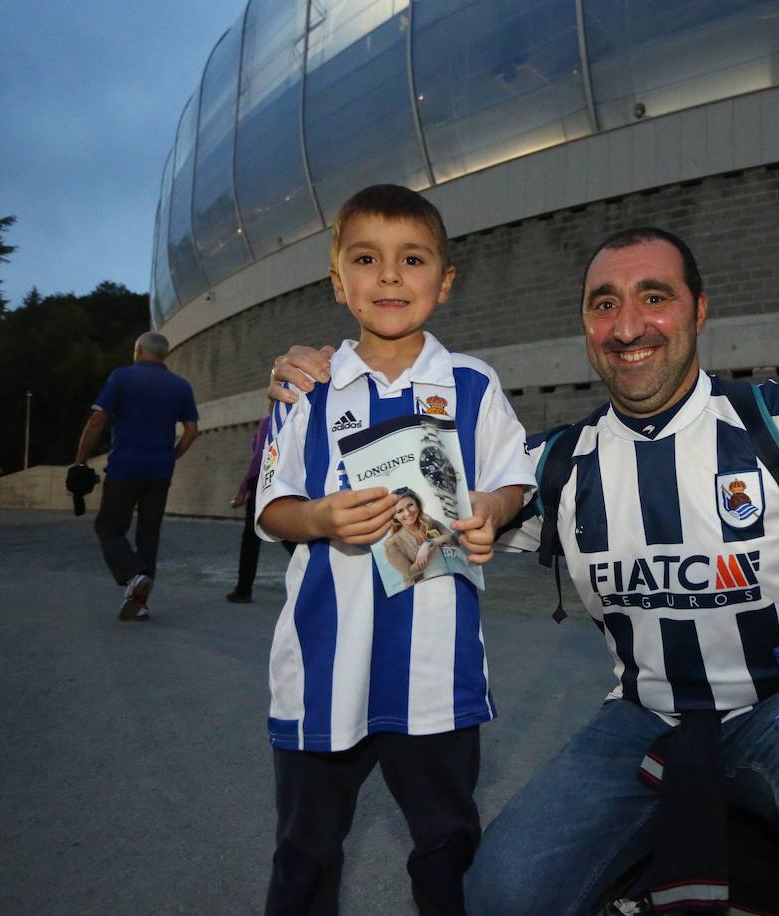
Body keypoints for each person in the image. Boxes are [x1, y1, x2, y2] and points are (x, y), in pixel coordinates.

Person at [268, 227, 779, 914]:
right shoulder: (555, 465)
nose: (629, 325)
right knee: (501, 893)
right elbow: (421, 499)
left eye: (654, 297)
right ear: (585, 323)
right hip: (644, 719)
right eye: (604, 304)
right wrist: (329, 367)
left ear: (699, 311)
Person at [254, 184, 536, 916]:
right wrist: (319, 516)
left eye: (411, 259)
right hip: (324, 666)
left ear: (442, 283)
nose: (388, 276)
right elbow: (272, 508)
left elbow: (514, 483)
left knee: (446, 843)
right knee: (306, 850)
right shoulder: (307, 390)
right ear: (338, 282)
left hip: (434, 675)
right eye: (366, 259)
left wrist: (490, 511)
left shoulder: (472, 385)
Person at [72, 331, 199, 621]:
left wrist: (80, 460)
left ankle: (132, 576)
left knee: (109, 528)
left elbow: (98, 420)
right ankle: (140, 601)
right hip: (160, 470)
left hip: (125, 467)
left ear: (139, 349)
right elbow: (192, 431)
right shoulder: (180, 385)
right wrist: (171, 455)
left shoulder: (121, 377)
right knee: (148, 535)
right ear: (163, 353)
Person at [226, 417, 271, 603]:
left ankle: (244, 589)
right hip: (280, 481)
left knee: (251, 539)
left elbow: (258, 458)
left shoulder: (270, 421)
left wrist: (243, 490)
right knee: (287, 536)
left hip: (262, 480)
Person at [382, 488, 455, 588]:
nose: (407, 513)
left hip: (448, 579)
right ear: (394, 516)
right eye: (400, 511)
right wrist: (429, 551)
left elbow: (454, 538)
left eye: (410, 505)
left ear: (417, 504)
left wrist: (428, 543)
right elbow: (409, 574)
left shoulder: (429, 522)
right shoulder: (391, 544)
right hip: (421, 591)